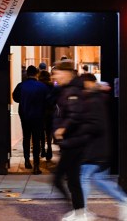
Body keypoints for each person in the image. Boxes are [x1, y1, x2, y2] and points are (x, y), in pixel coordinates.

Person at [78, 74, 127, 221]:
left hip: (94, 148)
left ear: (89, 84)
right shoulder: (98, 98)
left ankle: (81, 212)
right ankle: (126, 201)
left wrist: (79, 130)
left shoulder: (92, 101)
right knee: (99, 179)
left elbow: (96, 126)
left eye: (82, 85)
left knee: (83, 178)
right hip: (101, 147)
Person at [51, 60, 92, 221]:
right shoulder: (67, 90)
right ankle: (79, 212)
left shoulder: (73, 91)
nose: (55, 76)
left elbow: (75, 115)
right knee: (73, 179)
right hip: (72, 142)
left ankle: (78, 211)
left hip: (73, 142)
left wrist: (62, 128)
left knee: (58, 179)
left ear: (67, 73)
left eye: (57, 73)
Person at [12, 65, 49, 175]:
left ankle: (27, 160)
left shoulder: (21, 85)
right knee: (36, 140)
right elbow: (48, 100)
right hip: (38, 116)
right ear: (37, 73)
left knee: (26, 137)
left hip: (25, 115)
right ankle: (36, 166)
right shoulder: (42, 86)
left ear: (27, 74)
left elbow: (15, 98)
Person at [37, 67, 54, 161]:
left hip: (40, 111)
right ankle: (49, 149)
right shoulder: (52, 85)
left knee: (41, 132)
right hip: (50, 111)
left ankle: (42, 149)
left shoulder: (38, 85)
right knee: (49, 132)